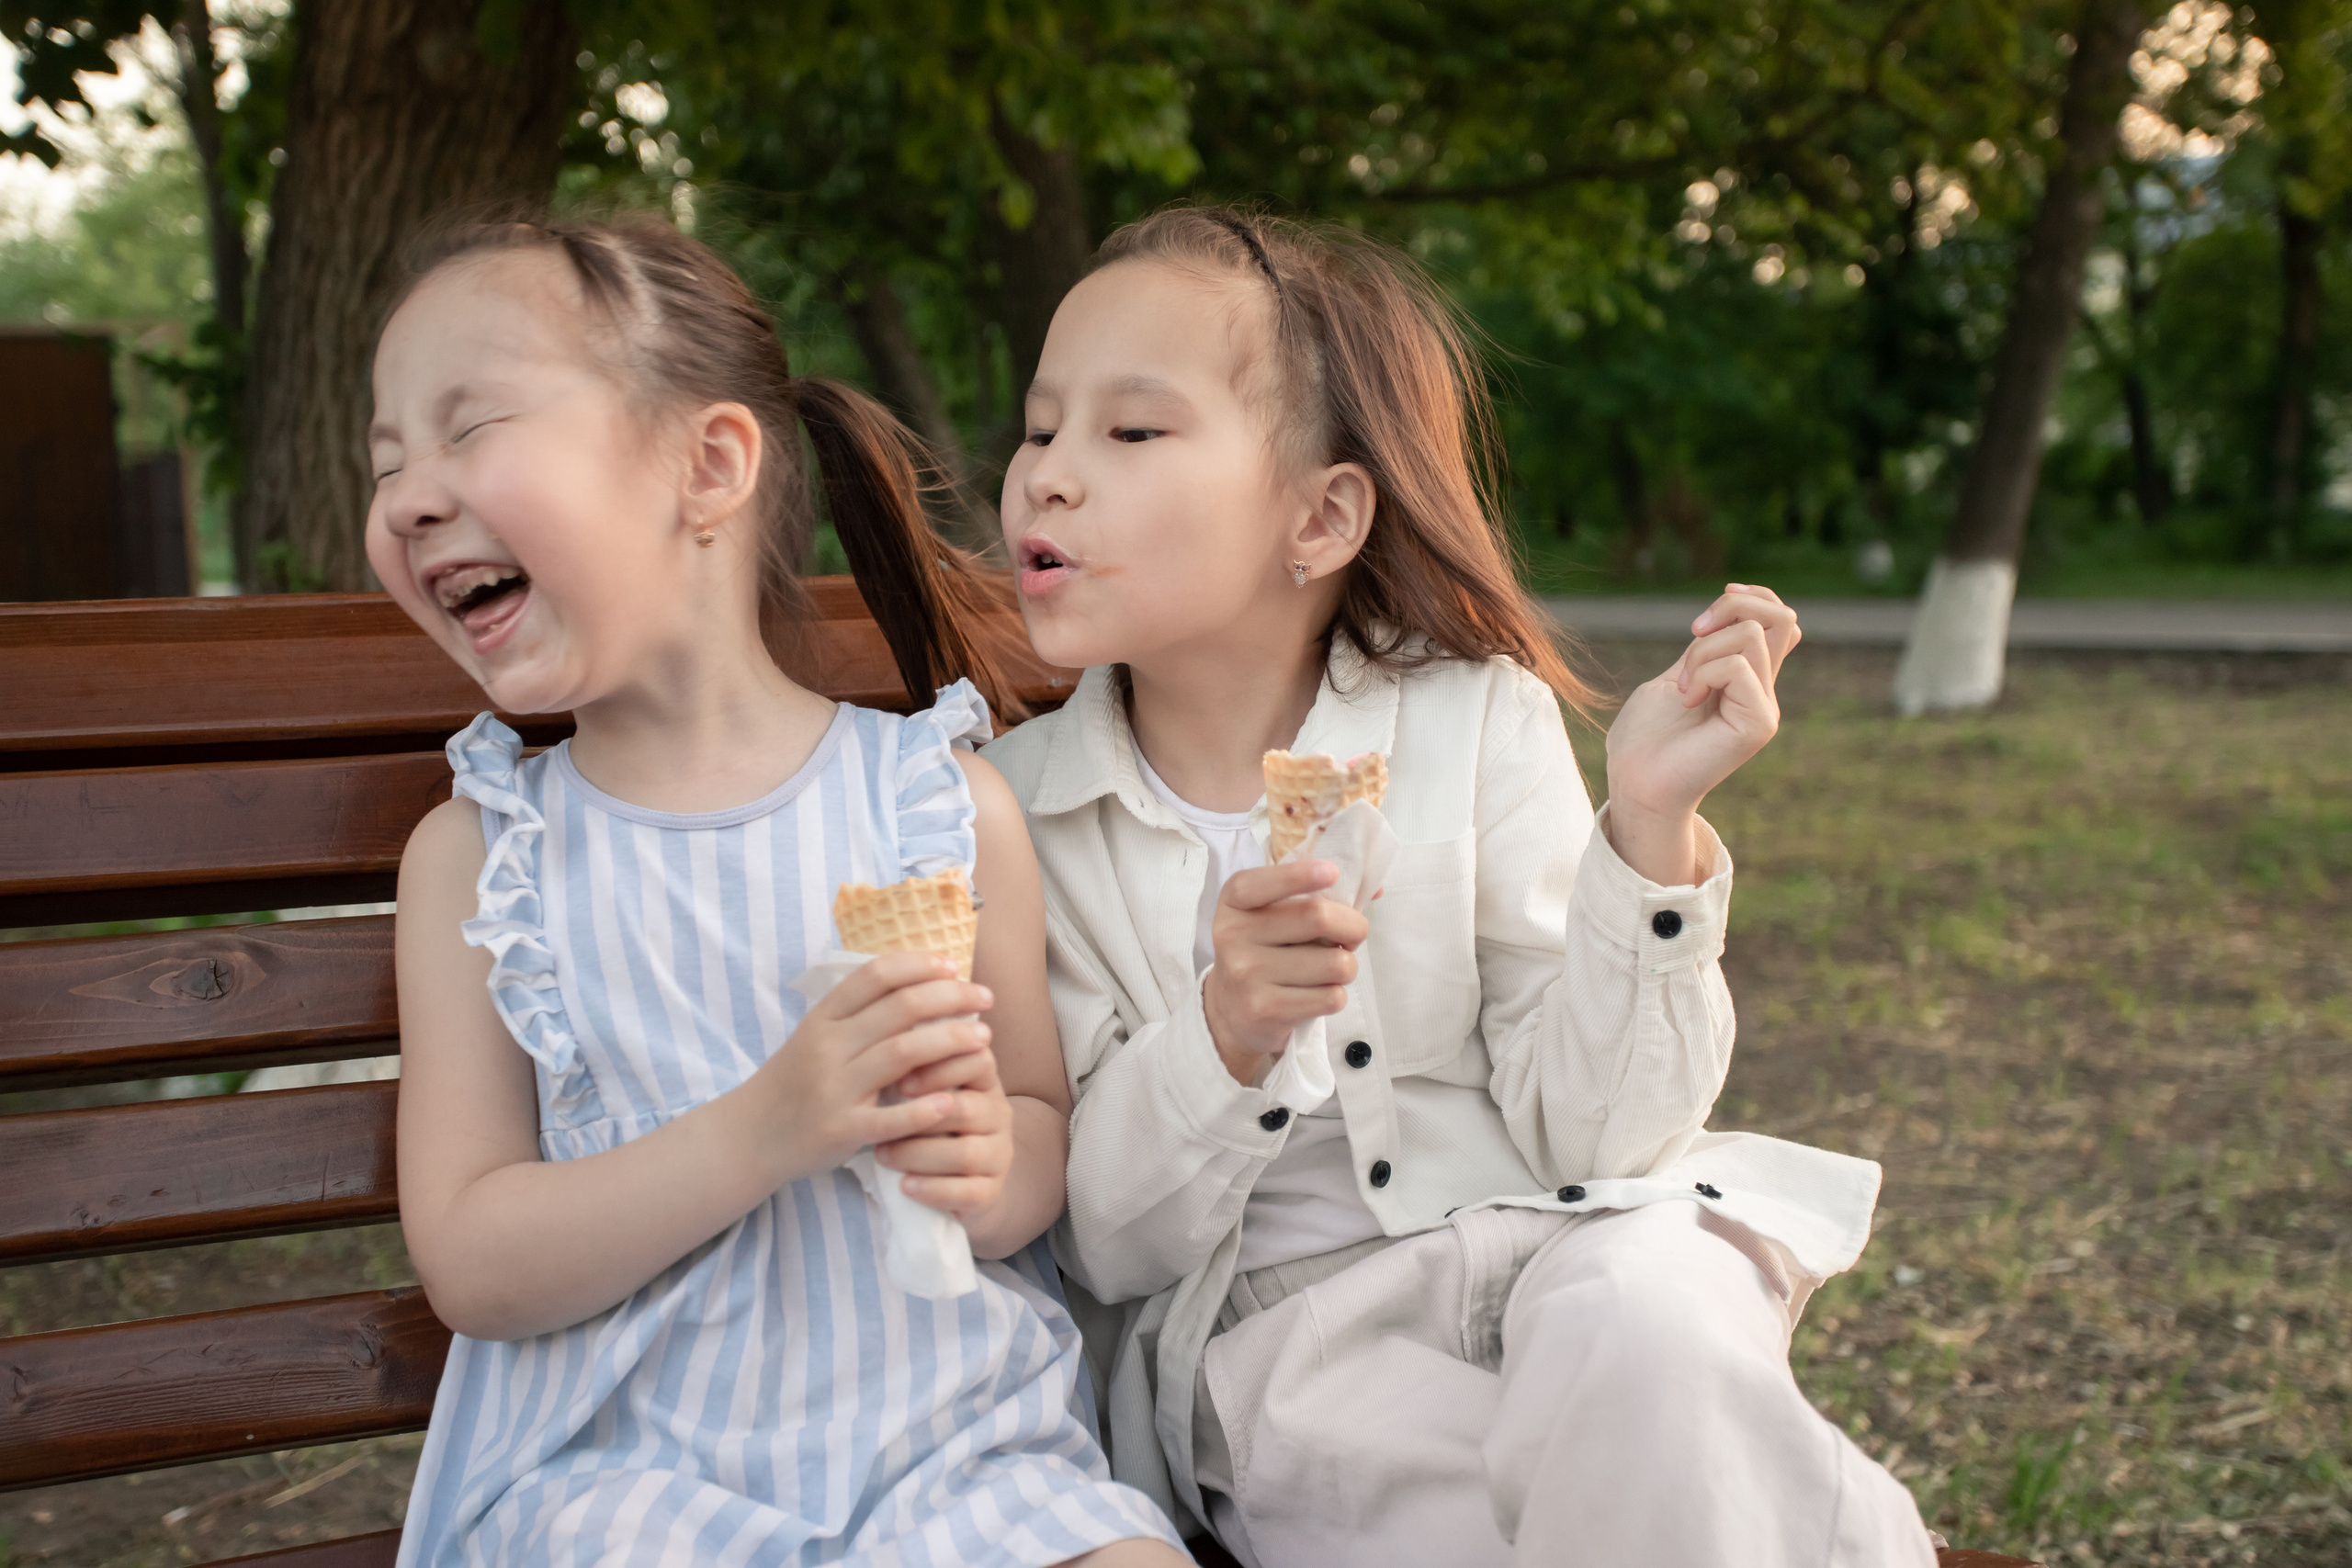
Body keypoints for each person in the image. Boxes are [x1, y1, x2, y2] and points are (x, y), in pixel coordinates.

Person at [980, 206, 1940, 1567]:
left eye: (1130, 432)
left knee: (1662, 1323)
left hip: (1561, 1245)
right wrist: (1226, 1033)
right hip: (1284, 1347)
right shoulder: (1019, 813)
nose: (1047, 479)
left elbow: (1602, 1146)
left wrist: (1650, 827)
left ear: (1319, 517)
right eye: (1038, 427)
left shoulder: (1474, 720)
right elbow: (1101, 1245)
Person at [368, 211, 1186, 1568]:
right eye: (386, 457)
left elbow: (1032, 1126)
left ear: (708, 466)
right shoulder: (482, 858)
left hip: (952, 1451)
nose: (405, 495)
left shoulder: (935, 808)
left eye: (467, 430)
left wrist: (991, 1168)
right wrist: (767, 1128)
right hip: (625, 1473)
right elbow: (472, 1258)